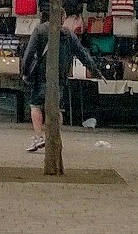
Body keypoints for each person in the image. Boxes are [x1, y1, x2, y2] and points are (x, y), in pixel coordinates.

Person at [21, 12, 98, 154]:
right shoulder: (69, 35)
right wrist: (94, 69)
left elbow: (29, 53)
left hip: (41, 75)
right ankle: (54, 137)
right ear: (63, 18)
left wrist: (25, 72)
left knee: (36, 105)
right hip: (60, 77)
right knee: (57, 109)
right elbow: (82, 54)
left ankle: (38, 137)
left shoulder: (40, 30)